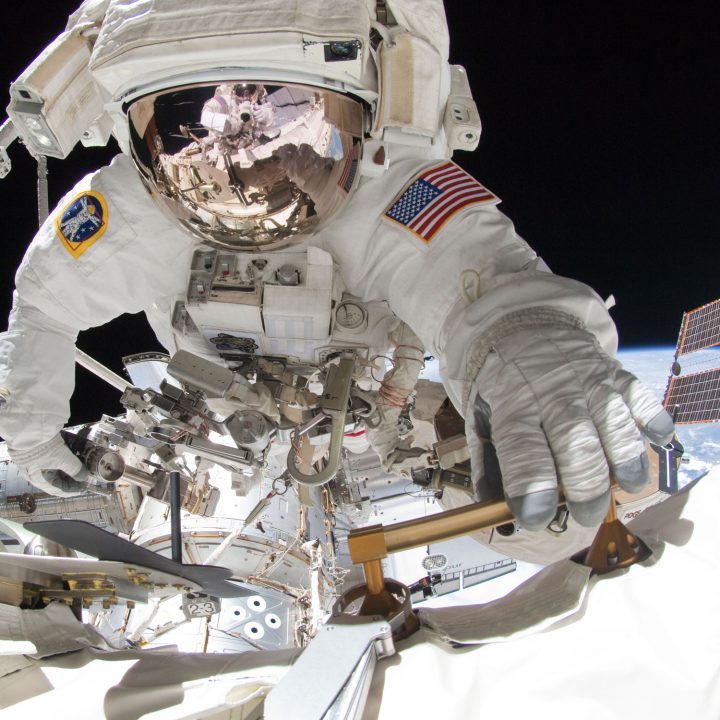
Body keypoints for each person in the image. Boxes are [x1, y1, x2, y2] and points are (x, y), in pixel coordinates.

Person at [0, 0, 674, 563]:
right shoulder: (130, 212)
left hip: (367, 405)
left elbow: (486, 283)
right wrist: (31, 435)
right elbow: (46, 304)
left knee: (550, 530)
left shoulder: (396, 195)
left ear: (363, 126)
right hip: (225, 412)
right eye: (193, 135)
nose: (241, 166)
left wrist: (527, 348)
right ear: (141, 144)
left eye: (285, 124)